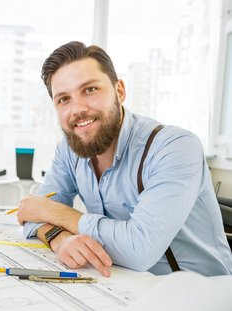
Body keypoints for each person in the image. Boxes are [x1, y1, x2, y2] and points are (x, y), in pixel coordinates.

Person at [17, 41, 232, 277]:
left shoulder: (175, 146)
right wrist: (59, 239)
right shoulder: (69, 149)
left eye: (90, 90)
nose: (77, 109)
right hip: (122, 283)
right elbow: (31, 215)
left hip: (196, 290)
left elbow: (140, 250)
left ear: (120, 91)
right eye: (64, 99)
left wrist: (56, 214)